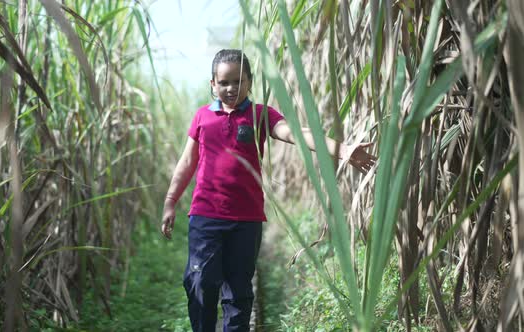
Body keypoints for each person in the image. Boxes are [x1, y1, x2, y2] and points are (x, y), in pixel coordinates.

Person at [161, 49, 376, 332]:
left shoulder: (260, 114)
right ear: (212, 84)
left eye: (238, 81)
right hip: (205, 216)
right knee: (200, 282)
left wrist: (344, 149)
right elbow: (187, 161)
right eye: (223, 82)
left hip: (246, 220)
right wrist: (170, 201)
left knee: (239, 291)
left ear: (250, 82)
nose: (230, 88)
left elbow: (296, 133)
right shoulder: (203, 117)